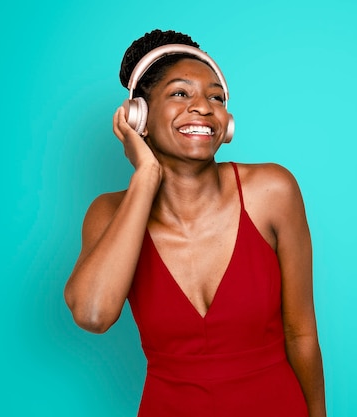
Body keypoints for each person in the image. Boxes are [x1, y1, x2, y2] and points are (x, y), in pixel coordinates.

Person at [64, 29, 326, 417]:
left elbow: (301, 334)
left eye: (216, 97)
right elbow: (93, 315)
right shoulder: (109, 213)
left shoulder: (273, 191)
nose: (203, 106)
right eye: (180, 93)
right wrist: (145, 177)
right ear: (139, 117)